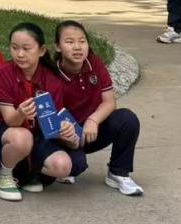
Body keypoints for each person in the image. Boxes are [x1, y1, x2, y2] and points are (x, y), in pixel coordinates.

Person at [52, 21, 144, 195]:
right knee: (75, 166)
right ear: (57, 46)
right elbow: (51, 118)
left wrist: (93, 120)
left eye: (82, 41)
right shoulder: (51, 74)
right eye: (69, 42)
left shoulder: (94, 63)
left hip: (91, 131)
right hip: (64, 136)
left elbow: (109, 101)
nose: (77, 47)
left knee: (127, 119)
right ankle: (65, 166)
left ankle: (118, 172)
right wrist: (67, 136)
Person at [0, 22, 70, 202]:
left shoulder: (52, 80)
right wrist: (21, 113)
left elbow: (52, 124)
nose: (20, 54)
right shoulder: (2, 72)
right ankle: (3, 176)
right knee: (22, 137)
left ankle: (28, 176)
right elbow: (10, 120)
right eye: (14, 48)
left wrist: (65, 130)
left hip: (38, 136)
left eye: (26, 48)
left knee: (63, 166)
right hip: (5, 134)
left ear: (42, 50)